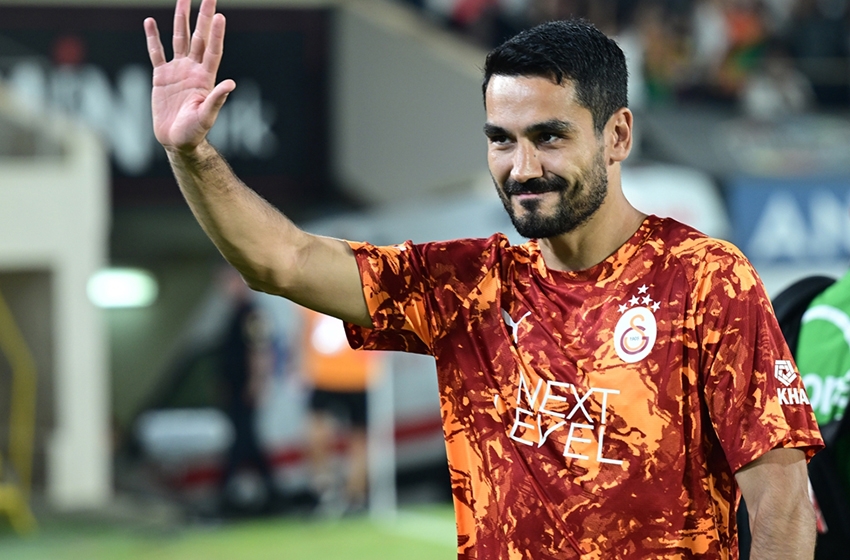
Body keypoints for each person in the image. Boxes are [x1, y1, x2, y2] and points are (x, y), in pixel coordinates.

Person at [144, 1, 823, 557]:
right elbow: (282, 260)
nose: (522, 167)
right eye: (502, 139)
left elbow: (782, 509)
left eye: (550, 137)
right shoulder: (467, 285)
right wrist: (190, 153)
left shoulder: (705, 280)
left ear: (617, 136)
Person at [300, 307, 375, 516]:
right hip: (324, 375)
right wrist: (303, 367)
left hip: (358, 375)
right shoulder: (312, 298)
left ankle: (354, 495)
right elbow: (305, 329)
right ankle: (325, 487)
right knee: (317, 432)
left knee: (359, 438)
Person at [217, 266, 278, 515]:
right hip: (236, 388)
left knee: (242, 441)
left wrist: (256, 383)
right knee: (248, 442)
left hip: (245, 389)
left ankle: (224, 492)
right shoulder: (234, 313)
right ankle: (274, 494)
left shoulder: (252, 313)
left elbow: (260, 350)